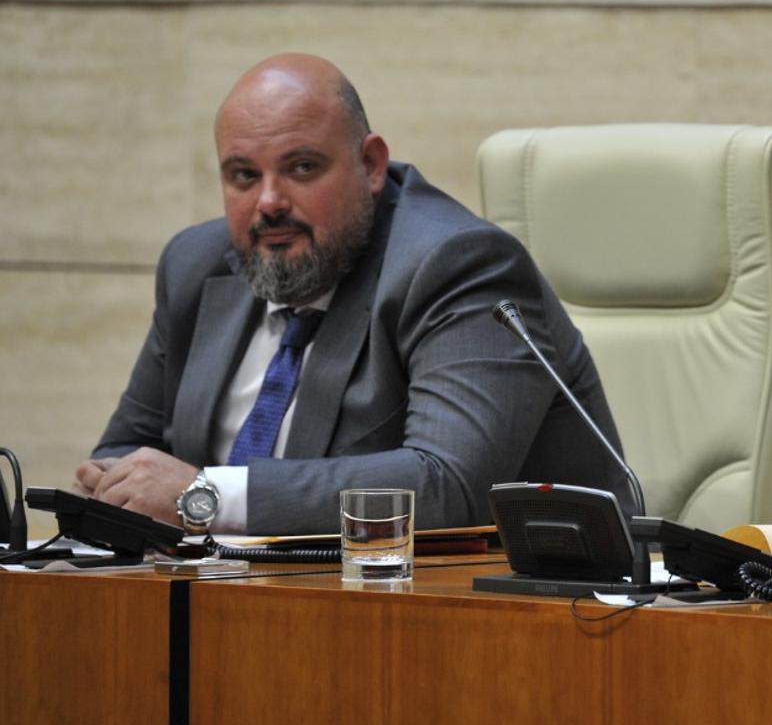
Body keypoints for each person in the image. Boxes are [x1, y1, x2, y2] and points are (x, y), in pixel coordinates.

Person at [72, 53, 633, 534]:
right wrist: (116, 485)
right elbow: (126, 450)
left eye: (301, 167)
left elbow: (448, 486)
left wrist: (206, 496)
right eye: (243, 175)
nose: (268, 201)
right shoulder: (195, 266)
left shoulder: (458, 266)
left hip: (481, 615)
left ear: (369, 165)